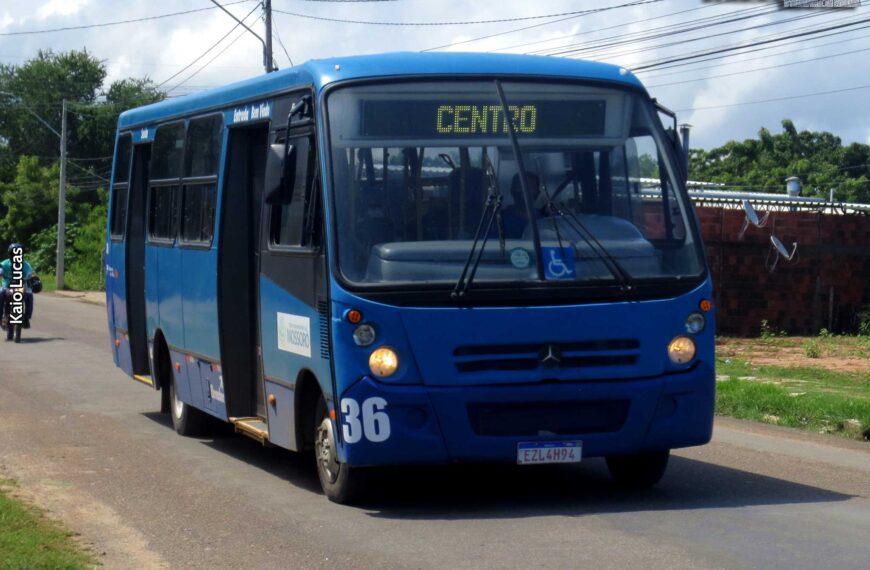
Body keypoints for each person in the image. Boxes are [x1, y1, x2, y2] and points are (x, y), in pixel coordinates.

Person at [0, 243, 35, 330]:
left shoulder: (25, 264)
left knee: (29, 295)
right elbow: (0, 268)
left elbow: (30, 273)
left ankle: (26, 318)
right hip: (6, 287)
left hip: (21, 287)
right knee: (0, 293)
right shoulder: (4, 263)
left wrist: (30, 276)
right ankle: (0, 317)